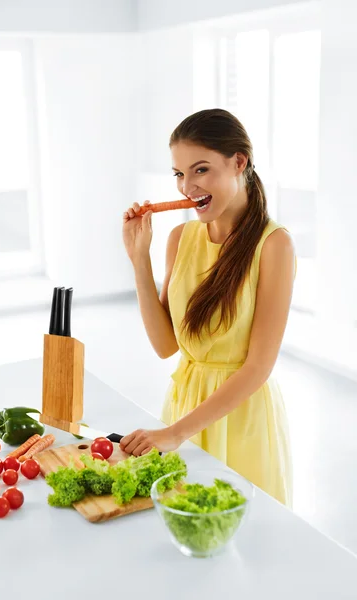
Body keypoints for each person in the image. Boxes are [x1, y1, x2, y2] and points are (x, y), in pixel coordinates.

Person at [120, 108, 296, 506]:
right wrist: (139, 261)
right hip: (183, 408)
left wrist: (174, 433)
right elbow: (167, 346)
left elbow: (258, 367)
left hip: (240, 418)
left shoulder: (274, 245)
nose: (187, 187)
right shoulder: (180, 238)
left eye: (200, 170)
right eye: (179, 174)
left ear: (238, 162)